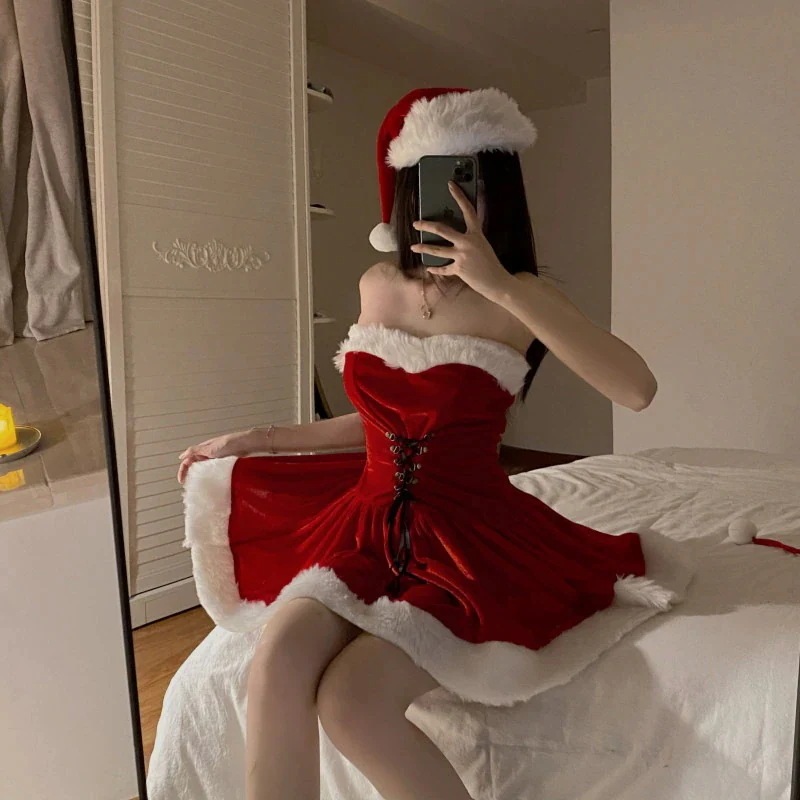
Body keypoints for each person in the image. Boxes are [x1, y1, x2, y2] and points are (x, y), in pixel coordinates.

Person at [176, 87, 683, 800]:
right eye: (436, 177)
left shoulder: (523, 296)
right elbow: (379, 422)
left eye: (471, 177)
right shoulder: (377, 284)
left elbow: (637, 389)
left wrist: (501, 286)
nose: (452, 196)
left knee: (351, 701)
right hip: (365, 523)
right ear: (407, 188)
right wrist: (259, 439)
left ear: (499, 189)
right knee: (277, 658)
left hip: (469, 537)